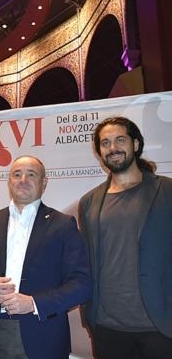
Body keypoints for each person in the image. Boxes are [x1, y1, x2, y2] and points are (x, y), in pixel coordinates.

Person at [0, 155, 92, 359]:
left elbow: (82, 284)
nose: (23, 180)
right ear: (9, 181)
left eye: (31, 174)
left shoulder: (63, 224)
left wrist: (33, 303)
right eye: (17, 174)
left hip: (45, 335)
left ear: (44, 182)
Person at [78, 116, 172, 359]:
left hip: (160, 326)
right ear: (99, 152)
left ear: (136, 144)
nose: (113, 148)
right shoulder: (89, 202)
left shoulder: (167, 191)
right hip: (107, 328)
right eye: (105, 143)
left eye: (120, 140)